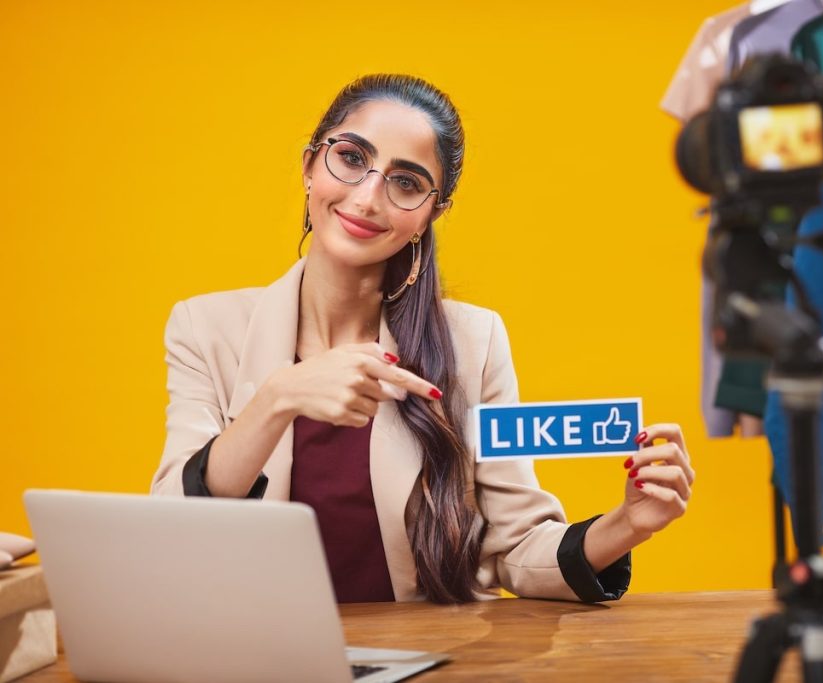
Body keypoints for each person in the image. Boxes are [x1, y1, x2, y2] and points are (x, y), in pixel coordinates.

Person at [151, 74, 695, 605]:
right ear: (309, 166)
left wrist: (627, 524)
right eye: (351, 158)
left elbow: (518, 548)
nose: (367, 198)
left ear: (432, 213)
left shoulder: (473, 341)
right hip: (258, 657)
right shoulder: (206, 328)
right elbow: (173, 524)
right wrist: (278, 398)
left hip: (423, 659)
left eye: (405, 183)